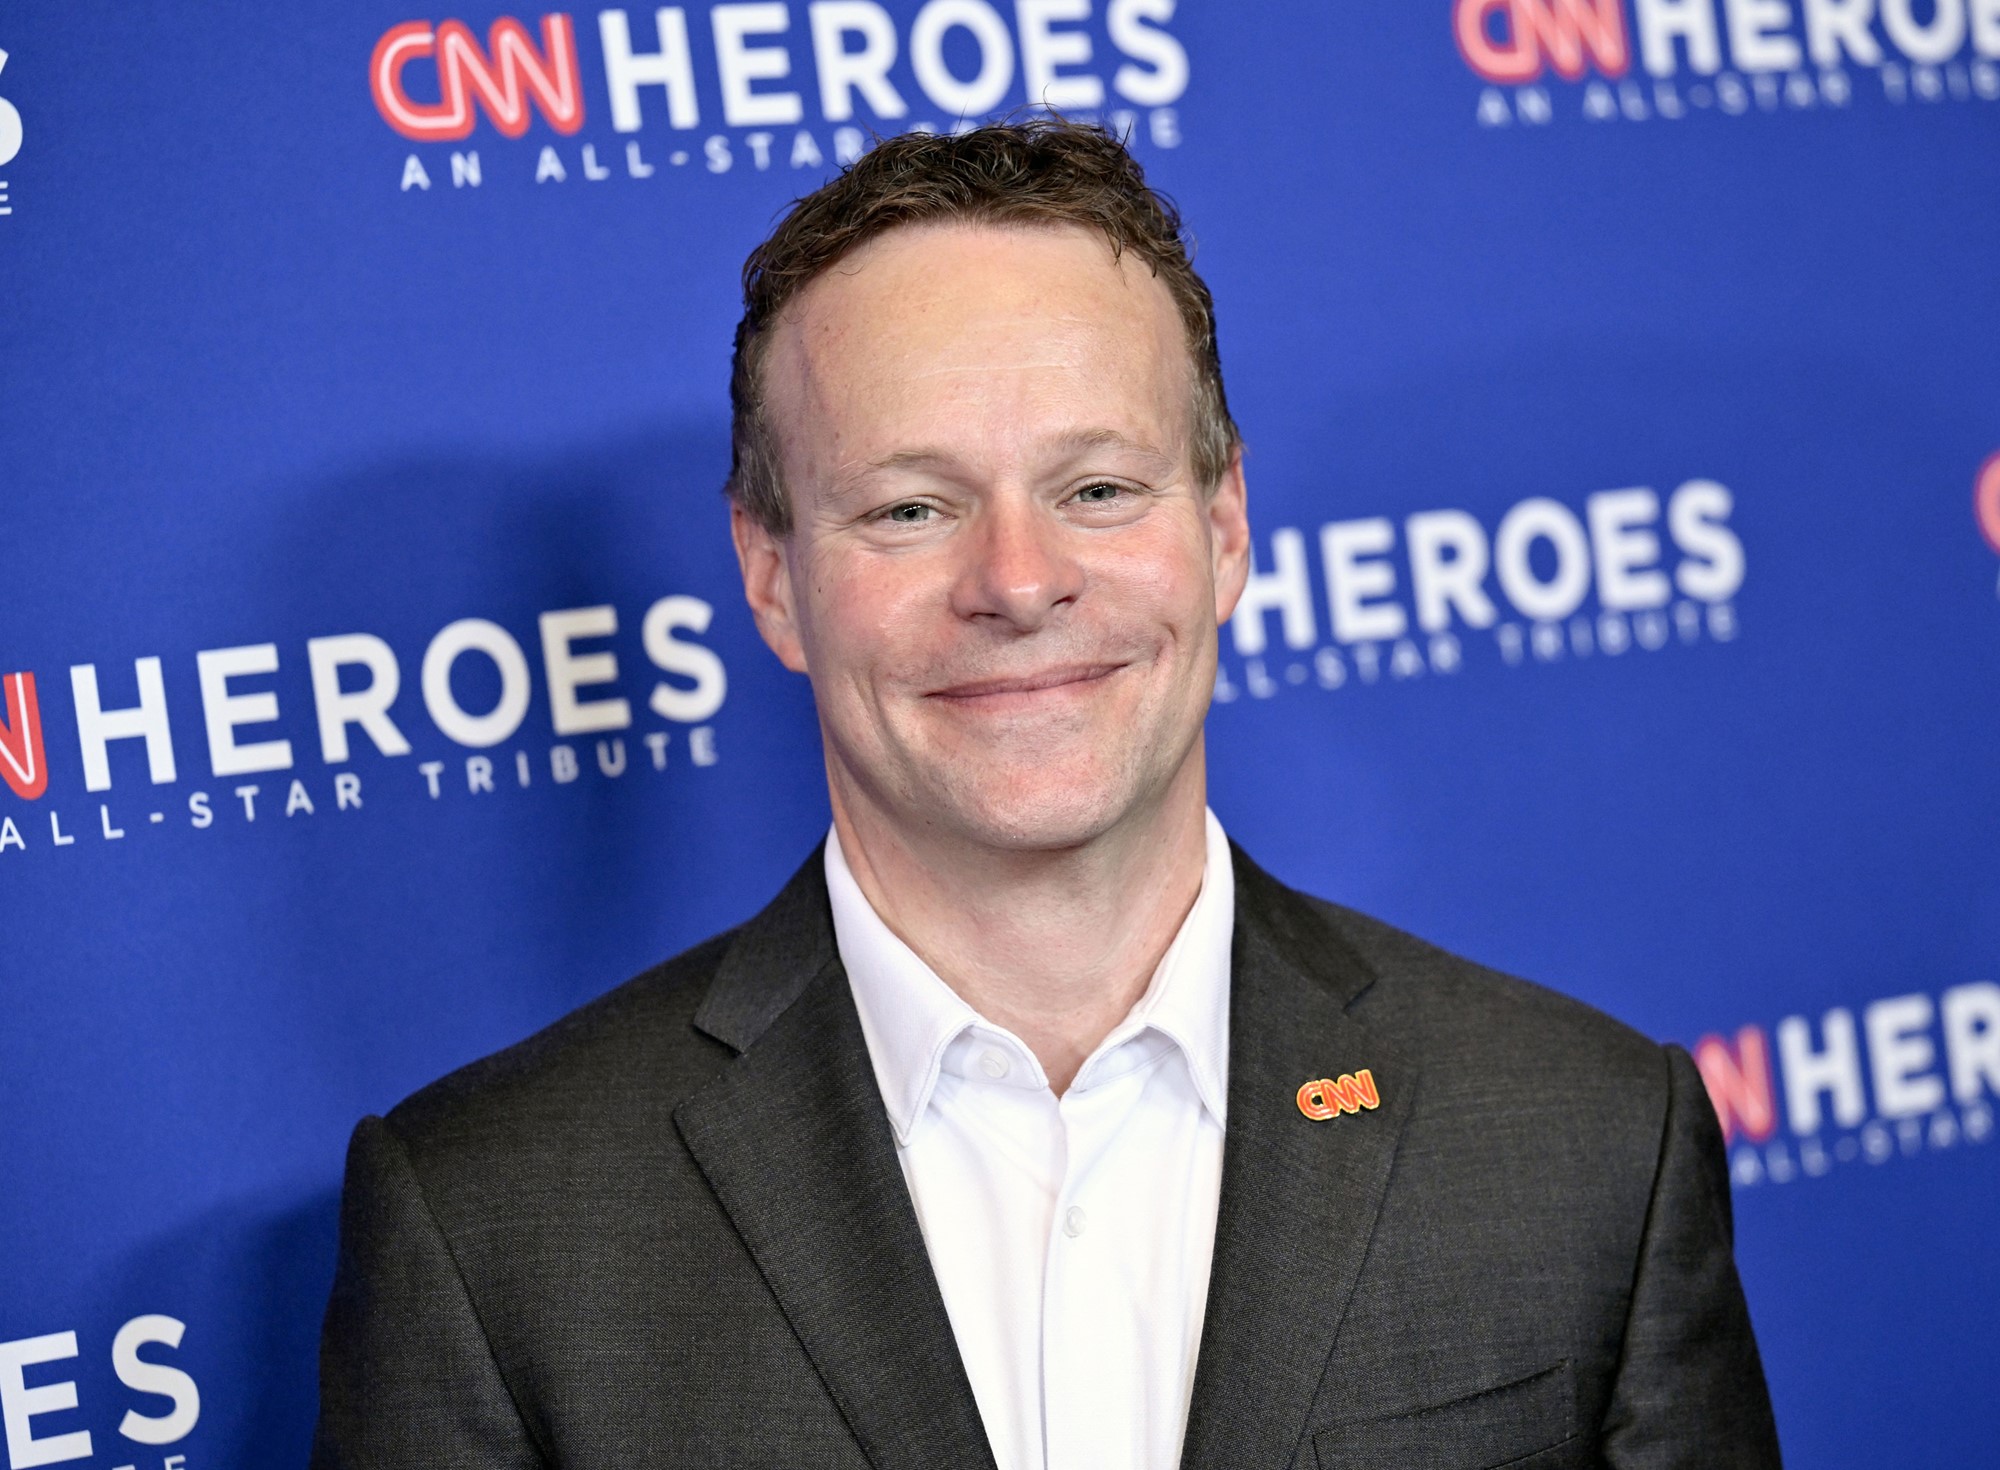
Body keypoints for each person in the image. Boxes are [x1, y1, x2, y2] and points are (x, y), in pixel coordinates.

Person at [312, 118, 1781, 1469]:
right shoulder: (489, 1228)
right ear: (771, 575)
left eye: (1097, 488)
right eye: (910, 507)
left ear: (1222, 529)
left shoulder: (1593, 1138)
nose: (1017, 581)